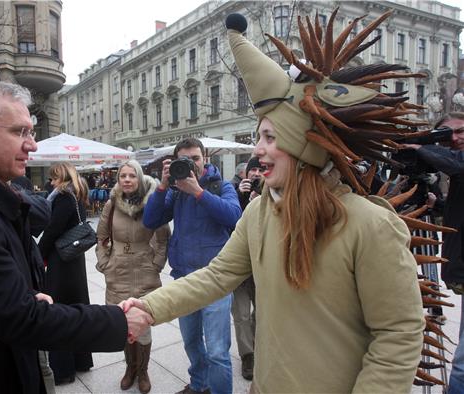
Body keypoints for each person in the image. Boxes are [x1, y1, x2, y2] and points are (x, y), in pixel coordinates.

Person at [122, 12, 427, 393]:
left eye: (269, 137)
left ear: (302, 146)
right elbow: (217, 276)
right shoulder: (260, 213)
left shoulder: (369, 225)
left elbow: (398, 333)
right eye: (258, 136)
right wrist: (150, 308)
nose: (258, 149)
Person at [0, 78, 152, 394]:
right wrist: (117, 322)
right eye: (19, 132)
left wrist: (23, 293)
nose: (32, 144)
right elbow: (18, 319)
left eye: (30, 131)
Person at [142, 137, 241, 394]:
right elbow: (150, 220)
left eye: (195, 158)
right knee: (191, 342)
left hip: (216, 280)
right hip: (185, 278)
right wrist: (163, 186)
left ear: (205, 159)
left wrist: (198, 192)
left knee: (218, 352)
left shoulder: (221, 186)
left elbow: (234, 217)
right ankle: (200, 385)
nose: (191, 164)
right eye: (184, 160)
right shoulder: (175, 191)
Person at [95, 159, 171, 394]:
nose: (127, 180)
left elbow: (163, 237)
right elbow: (101, 236)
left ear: (139, 177)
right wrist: (105, 262)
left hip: (144, 268)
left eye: (132, 176)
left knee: (144, 324)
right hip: (117, 269)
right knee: (123, 325)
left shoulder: (152, 202)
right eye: (122, 176)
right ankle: (130, 368)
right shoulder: (111, 203)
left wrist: (156, 263)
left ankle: (143, 370)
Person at [405, 112, 464, 393]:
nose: (455, 139)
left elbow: (456, 165)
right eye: (448, 135)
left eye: (460, 131)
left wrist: (421, 148)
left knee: (462, 364)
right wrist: (436, 206)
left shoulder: (457, 163)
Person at [38, 162, 94, 385]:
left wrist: (39, 253)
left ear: (62, 177)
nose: (51, 182)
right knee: (77, 307)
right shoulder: (77, 194)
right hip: (73, 258)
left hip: (61, 260)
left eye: (54, 178)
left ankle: (62, 370)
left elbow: (52, 230)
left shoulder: (62, 197)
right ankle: (81, 360)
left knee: (59, 311)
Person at [11, 175, 56, 394]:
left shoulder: (13, 190)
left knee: (42, 362)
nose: (31, 144)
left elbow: (43, 213)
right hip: (15, 299)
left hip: (33, 289)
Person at [231, 156, 263, 380]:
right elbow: (230, 224)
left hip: (262, 266)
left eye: (261, 169)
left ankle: (260, 348)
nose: (257, 173)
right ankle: (248, 355)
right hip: (241, 267)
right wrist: (242, 199)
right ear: (245, 174)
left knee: (261, 312)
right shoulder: (232, 193)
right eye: (253, 170)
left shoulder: (272, 193)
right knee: (241, 314)